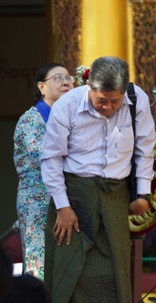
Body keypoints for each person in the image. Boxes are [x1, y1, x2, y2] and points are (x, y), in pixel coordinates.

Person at [41, 56, 156, 303]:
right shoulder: (67, 105)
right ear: (89, 87)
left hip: (115, 197)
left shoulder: (137, 101)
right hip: (74, 197)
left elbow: (145, 148)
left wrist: (143, 194)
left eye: (115, 101)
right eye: (101, 101)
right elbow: (51, 158)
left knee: (113, 271)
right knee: (67, 269)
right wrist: (63, 207)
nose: (108, 108)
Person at [13, 63, 74, 280]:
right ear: (42, 87)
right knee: (39, 267)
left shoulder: (69, 118)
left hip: (63, 203)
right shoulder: (30, 121)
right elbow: (47, 158)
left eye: (69, 77)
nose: (66, 81)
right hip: (37, 204)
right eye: (58, 77)